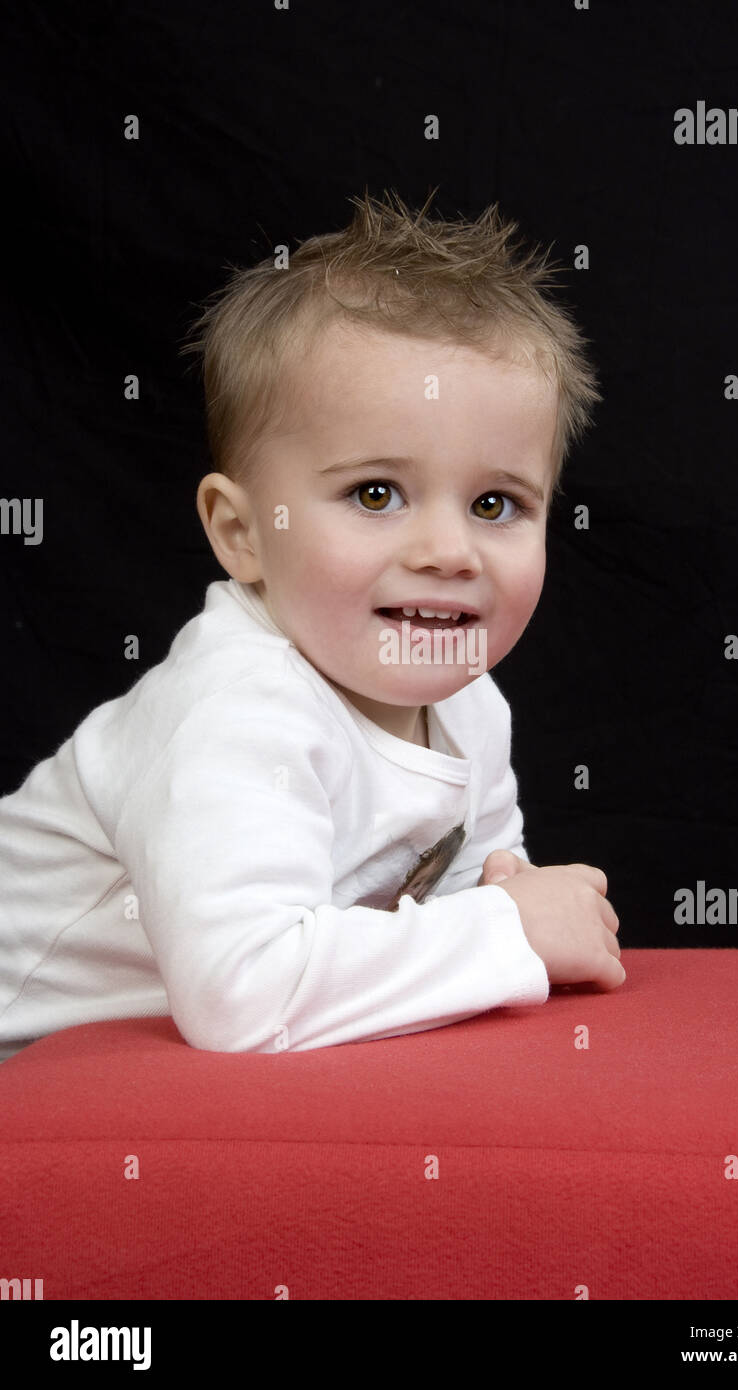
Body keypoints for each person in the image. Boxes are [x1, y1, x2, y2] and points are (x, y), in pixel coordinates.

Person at [0, 188, 624, 1061]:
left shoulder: (472, 705)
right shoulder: (238, 707)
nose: (450, 550)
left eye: (495, 502)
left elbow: (474, 902)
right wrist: (509, 931)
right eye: (376, 493)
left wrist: (511, 913)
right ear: (242, 533)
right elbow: (243, 995)